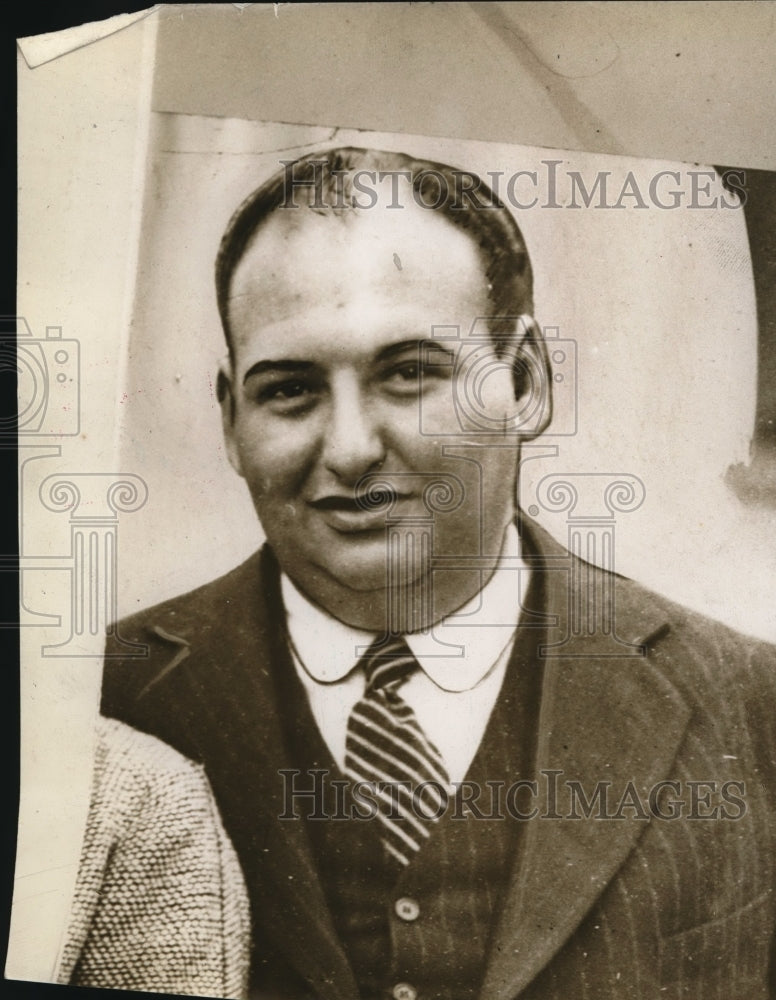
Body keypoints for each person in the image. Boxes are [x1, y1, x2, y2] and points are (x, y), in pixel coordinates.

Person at [59, 149, 776, 1000]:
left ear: (527, 381)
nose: (352, 448)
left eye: (409, 374)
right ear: (230, 419)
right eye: (290, 389)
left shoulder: (749, 705)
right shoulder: (92, 701)